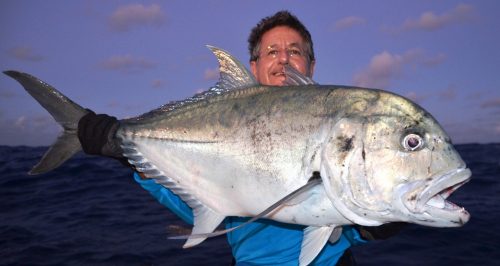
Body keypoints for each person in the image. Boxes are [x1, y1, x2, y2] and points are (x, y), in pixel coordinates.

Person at [78, 10, 404, 266]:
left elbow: (350, 219)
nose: (283, 59)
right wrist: (132, 158)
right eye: (272, 51)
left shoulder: (342, 121)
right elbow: (203, 204)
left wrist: (377, 223)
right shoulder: (222, 119)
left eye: (295, 51)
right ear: (254, 65)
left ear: (311, 64)